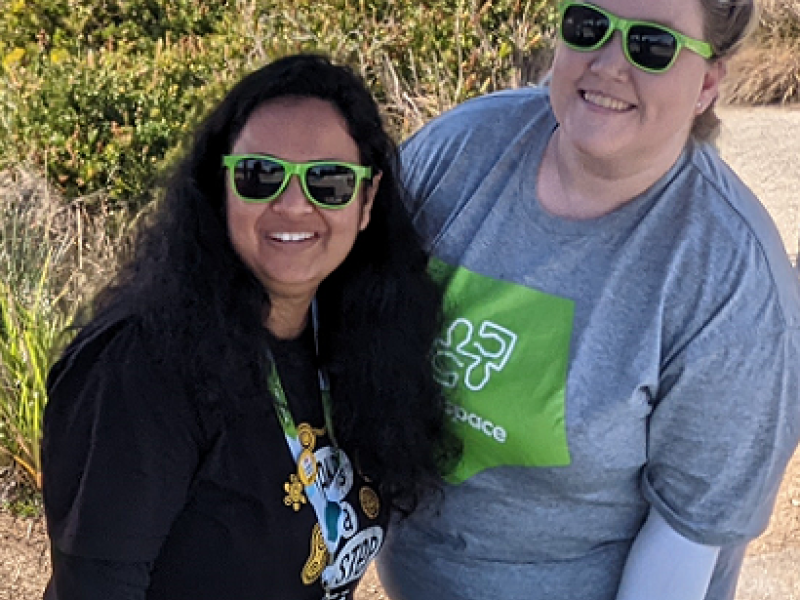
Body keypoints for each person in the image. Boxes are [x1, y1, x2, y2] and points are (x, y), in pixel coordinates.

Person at [377, 1, 800, 599]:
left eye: (651, 45)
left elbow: (683, 542)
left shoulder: (731, 284)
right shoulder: (461, 149)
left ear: (707, 82)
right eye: (588, 25)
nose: (608, 62)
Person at [42, 53, 454, 600]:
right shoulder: (142, 364)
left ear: (366, 201)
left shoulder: (350, 341)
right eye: (260, 175)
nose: (291, 204)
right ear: (221, 187)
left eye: (327, 182)